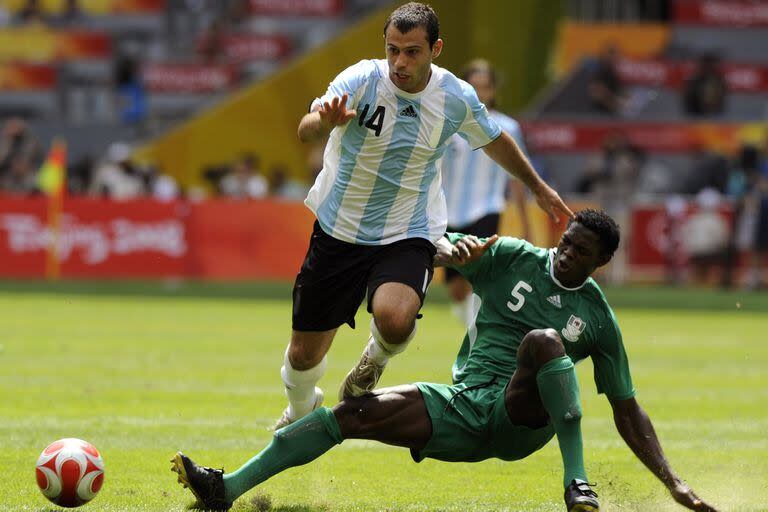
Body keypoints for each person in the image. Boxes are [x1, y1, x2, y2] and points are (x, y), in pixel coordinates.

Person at [171, 209, 719, 512]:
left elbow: (627, 409)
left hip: (521, 421)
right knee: (353, 413)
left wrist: (672, 483)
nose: (566, 253)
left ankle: (577, 487)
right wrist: (446, 251)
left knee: (545, 342)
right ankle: (227, 489)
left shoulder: (597, 318)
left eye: (580, 252)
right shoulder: (509, 255)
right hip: (464, 403)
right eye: (566, 242)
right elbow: (435, 246)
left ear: (601, 263)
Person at [272, 1, 571, 431]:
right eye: (393, 49)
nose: (399, 61)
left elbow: (495, 139)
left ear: (436, 49)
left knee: (395, 320)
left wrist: (538, 188)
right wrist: (323, 122)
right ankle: (301, 407)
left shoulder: (454, 97)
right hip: (340, 229)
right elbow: (307, 125)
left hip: (408, 229)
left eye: (412, 51)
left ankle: (372, 362)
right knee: (303, 355)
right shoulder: (361, 79)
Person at [441, 58, 531, 327]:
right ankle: (468, 321)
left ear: (493, 90)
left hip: (488, 208)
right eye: (474, 86)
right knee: (456, 288)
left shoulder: (508, 127)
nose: (480, 92)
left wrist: (526, 224)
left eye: (485, 86)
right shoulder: (449, 125)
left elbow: (517, 177)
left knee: (475, 276)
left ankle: (477, 337)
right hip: (450, 211)